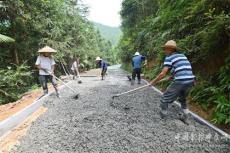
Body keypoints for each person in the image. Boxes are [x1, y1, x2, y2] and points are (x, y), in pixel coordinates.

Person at [150, 40, 195, 124]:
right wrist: (172, 76)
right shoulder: (182, 56)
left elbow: (163, 74)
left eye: (165, 49)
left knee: (165, 98)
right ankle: (185, 118)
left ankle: (162, 116)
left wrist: (153, 82)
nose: (164, 51)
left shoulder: (169, 57)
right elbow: (181, 68)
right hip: (190, 80)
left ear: (170, 49)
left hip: (180, 80)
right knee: (183, 99)